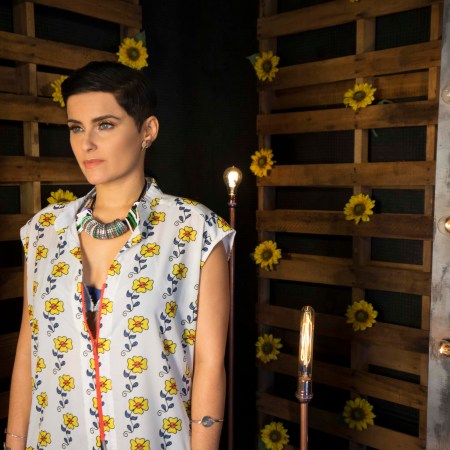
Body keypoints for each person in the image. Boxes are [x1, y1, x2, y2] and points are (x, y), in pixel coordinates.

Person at [5, 61, 235, 450]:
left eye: (105, 125)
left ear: (148, 130)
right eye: (76, 127)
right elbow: (29, 349)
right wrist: (13, 443)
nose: (86, 144)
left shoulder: (195, 231)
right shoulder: (43, 232)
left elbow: (210, 366)